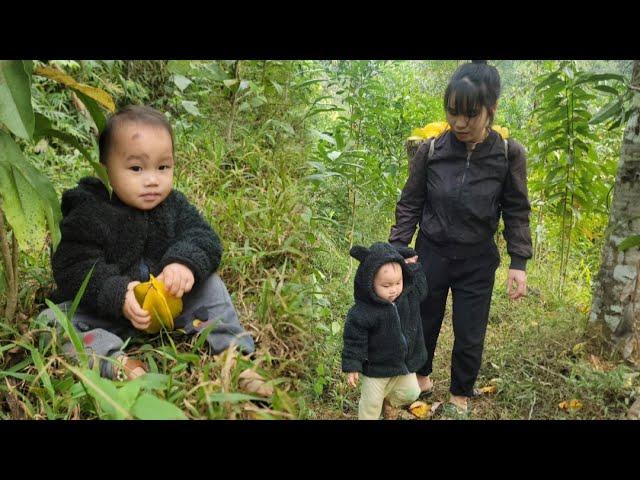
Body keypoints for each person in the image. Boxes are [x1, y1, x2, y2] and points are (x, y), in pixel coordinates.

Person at [38, 105, 255, 380]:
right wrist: (118, 294)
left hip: (167, 305)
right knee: (51, 322)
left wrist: (183, 264)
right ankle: (116, 363)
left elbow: (203, 236)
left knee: (211, 286)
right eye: (136, 168)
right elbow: (74, 264)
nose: (153, 180)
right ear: (105, 170)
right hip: (105, 313)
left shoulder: (173, 205)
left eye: (163, 166)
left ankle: (234, 357)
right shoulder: (89, 210)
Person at [389, 60, 532, 413]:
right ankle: (420, 378)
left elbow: (516, 209)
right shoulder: (432, 150)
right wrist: (397, 250)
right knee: (423, 319)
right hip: (431, 253)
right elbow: (411, 202)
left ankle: (461, 394)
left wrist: (519, 262)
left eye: (470, 114)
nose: (460, 123)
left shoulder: (508, 154)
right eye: (453, 113)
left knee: (469, 331)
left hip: (477, 259)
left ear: (492, 110)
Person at [342, 242, 428, 420]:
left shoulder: (407, 297)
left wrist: (414, 267)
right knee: (370, 408)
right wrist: (352, 366)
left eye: (398, 282)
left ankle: (388, 403)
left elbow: (421, 288)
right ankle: (375, 408)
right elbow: (354, 340)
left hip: (401, 365)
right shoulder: (363, 312)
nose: (394, 289)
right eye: (386, 286)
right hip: (376, 370)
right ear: (369, 282)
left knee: (412, 392)